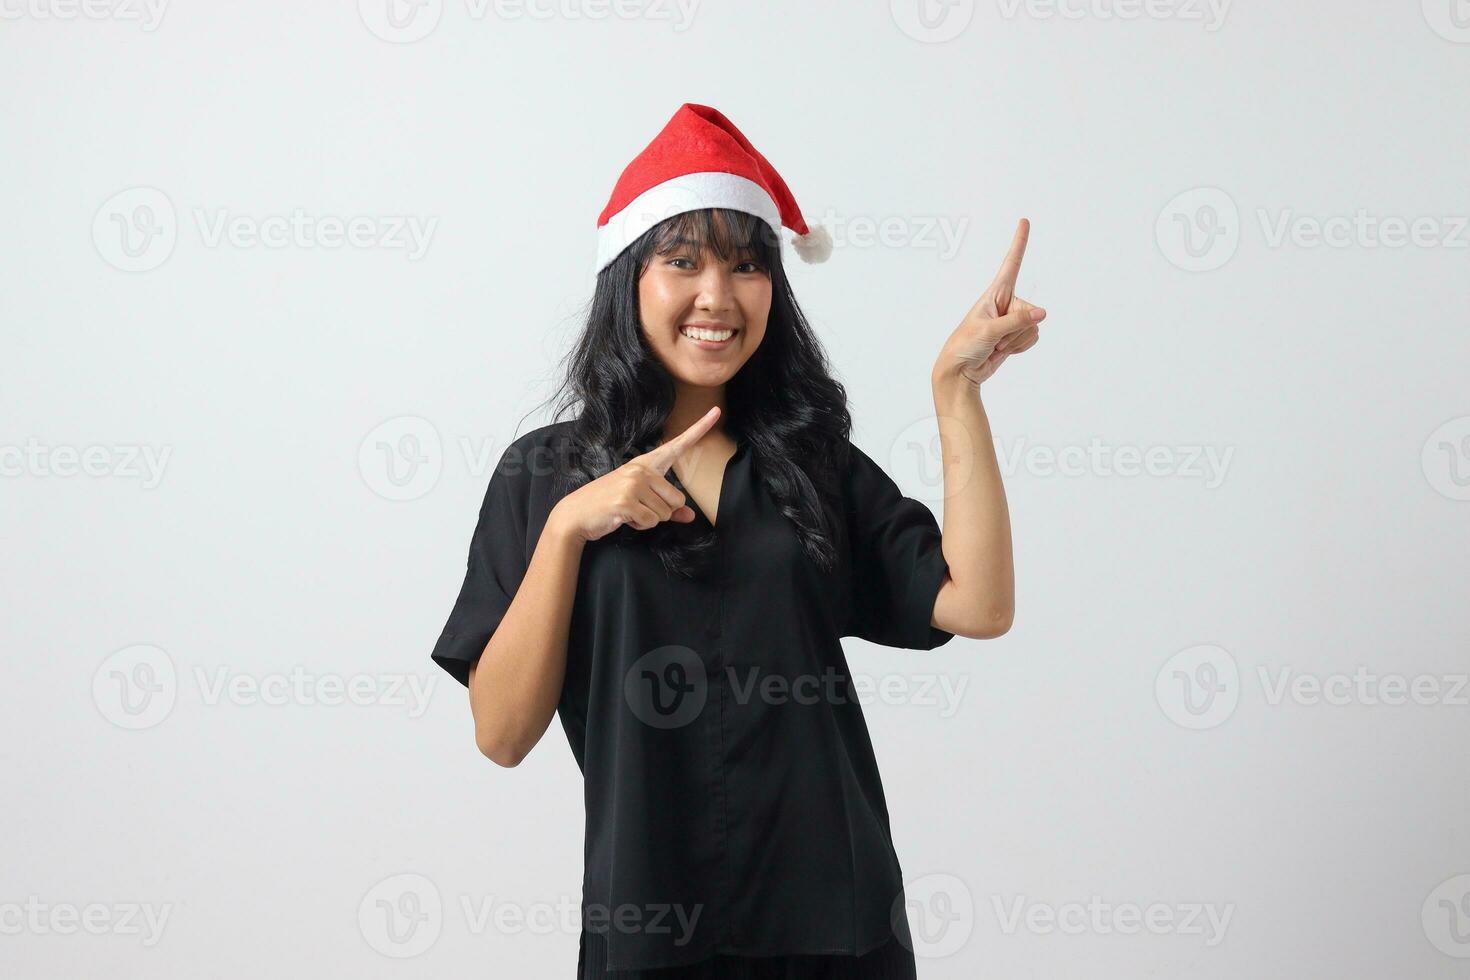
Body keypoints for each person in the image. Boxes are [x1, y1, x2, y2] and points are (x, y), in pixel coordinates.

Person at [429, 103, 1045, 979]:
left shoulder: (811, 461)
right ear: (628, 276)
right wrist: (570, 528)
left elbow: (978, 605)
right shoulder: (544, 476)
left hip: (835, 927)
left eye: (748, 266)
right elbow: (502, 733)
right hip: (650, 932)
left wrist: (958, 392)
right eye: (682, 261)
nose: (717, 296)